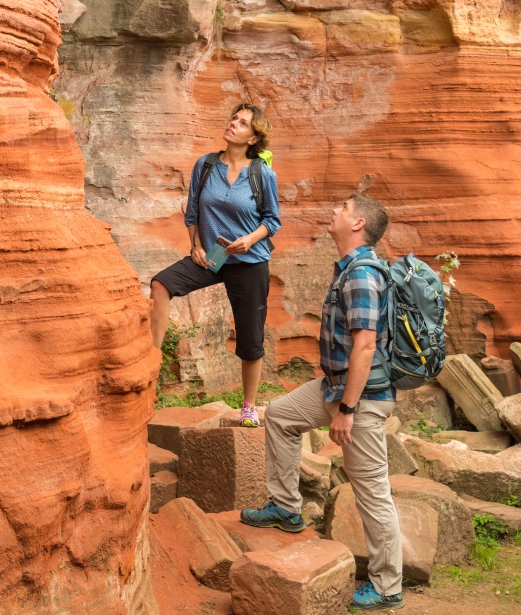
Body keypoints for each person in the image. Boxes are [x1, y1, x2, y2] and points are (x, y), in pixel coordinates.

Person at [238, 194, 406, 611]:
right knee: (279, 414)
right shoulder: (349, 268)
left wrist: (347, 411)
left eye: (344, 207)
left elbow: (365, 348)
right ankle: (286, 508)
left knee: (370, 490)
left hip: (360, 398)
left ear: (358, 222)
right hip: (334, 387)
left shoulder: (362, 274)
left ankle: (388, 587)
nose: (335, 211)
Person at [149, 103, 282, 427]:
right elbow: (192, 211)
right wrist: (194, 245)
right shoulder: (206, 165)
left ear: (253, 138)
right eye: (234, 118)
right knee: (161, 284)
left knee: (250, 338)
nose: (233, 124)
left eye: (243, 122)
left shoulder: (262, 173)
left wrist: (250, 240)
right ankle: (150, 367)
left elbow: (272, 221)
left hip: (249, 260)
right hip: (212, 256)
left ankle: (249, 405)